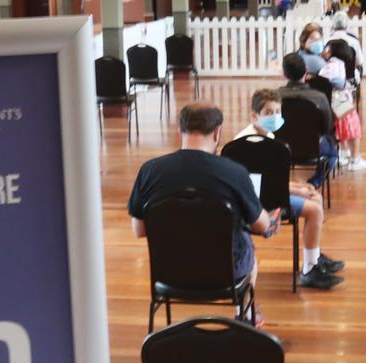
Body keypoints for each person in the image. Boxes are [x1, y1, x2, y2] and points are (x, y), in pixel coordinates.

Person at [128, 103, 279, 324]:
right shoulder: (234, 172)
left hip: (169, 273)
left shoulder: (150, 171)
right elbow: (262, 226)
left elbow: (139, 229)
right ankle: (245, 314)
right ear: (218, 132)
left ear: (179, 131)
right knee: (247, 246)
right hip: (225, 274)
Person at [235, 89, 346, 289]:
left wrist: (301, 187)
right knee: (315, 209)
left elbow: (271, 179)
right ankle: (309, 272)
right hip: (260, 203)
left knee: (316, 198)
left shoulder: (264, 134)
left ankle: (314, 257)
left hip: (268, 193)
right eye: (269, 112)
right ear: (254, 115)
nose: (275, 117)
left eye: (278, 111)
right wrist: (297, 191)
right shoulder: (248, 143)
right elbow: (259, 186)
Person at [280, 53, 339, 189]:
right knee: (333, 153)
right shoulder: (319, 97)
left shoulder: (275, 97)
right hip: (314, 148)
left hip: (281, 149)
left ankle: (284, 185)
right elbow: (327, 128)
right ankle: (314, 183)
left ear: (284, 73)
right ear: (306, 69)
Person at [319, 41, 366, 172]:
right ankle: (355, 159)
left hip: (333, 103)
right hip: (342, 105)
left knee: (341, 131)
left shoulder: (330, 65)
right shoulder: (339, 65)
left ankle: (344, 154)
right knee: (354, 131)